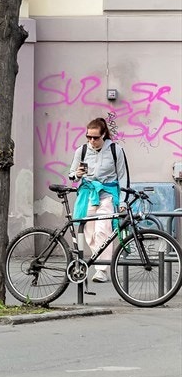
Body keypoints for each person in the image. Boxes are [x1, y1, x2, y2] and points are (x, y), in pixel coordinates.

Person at [68, 117, 130, 282]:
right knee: (90, 234)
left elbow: (123, 177)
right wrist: (77, 175)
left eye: (95, 137)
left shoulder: (115, 150)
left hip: (107, 195)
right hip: (88, 195)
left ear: (104, 135)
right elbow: (71, 175)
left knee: (103, 230)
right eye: (88, 137)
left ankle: (101, 270)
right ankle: (100, 262)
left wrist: (123, 202)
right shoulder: (81, 151)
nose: (92, 141)